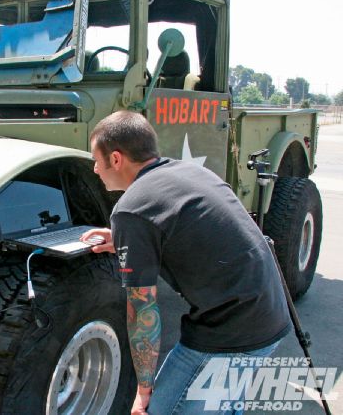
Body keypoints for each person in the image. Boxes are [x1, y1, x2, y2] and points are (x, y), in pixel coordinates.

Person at [81, 111, 291, 415]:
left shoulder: (131, 209)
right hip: (269, 311)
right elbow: (194, 227)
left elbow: (142, 310)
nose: (94, 169)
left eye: (96, 160)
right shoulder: (190, 172)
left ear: (116, 159)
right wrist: (127, 239)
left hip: (231, 330)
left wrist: (144, 391)